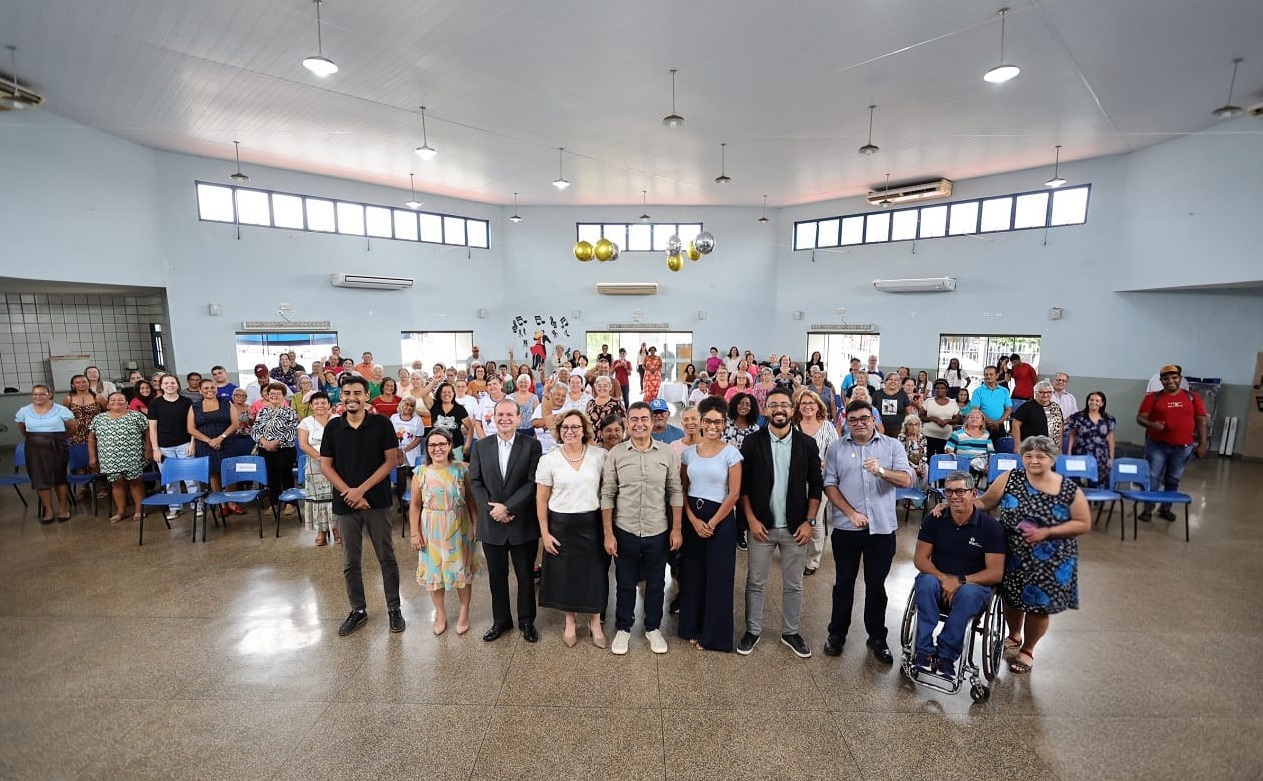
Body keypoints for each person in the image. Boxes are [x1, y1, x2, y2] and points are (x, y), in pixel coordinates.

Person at [971, 435, 1090, 674]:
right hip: (1012, 552)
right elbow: (985, 503)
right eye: (1028, 455)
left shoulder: (1066, 487)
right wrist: (957, 504)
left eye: (1040, 456)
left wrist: (1047, 532)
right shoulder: (1010, 478)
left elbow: (1082, 523)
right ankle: (1014, 634)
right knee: (1012, 598)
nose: (1033, 460)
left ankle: (1027, 650)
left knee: (1038, 607)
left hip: (1050, 558)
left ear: (1051, 458)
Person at [821, 399, 916, 662]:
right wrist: (850, 513)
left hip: (882, 529)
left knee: (876, 586)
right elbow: (829, 483)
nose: (859, 424)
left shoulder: (892, 445)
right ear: (846, 422)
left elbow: (908, 479)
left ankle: (877, 637)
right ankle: (836, 634)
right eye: (853, 420)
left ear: (873, 418)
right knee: (843, 584)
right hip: (847, 528)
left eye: (864, 418)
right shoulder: (836, 448)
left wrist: (882, 471)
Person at [737, 388, 822, 658]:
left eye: (784, 404)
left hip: (796, 527)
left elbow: (816, 487)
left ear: (792, 409)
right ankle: (753, 630)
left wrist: (809, 521)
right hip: (761, 526)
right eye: (773, 405)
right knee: (755, 582)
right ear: (765, 409)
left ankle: (790, 632)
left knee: (794, 584)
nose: (779, 409)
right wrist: (750, 520)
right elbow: (743, 488)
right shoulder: (751, 443)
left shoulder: (806, 444)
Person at [319, 375, 405, 636]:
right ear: (341, 396)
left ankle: (394, 608)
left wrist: (362, 490)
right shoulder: (333, 427)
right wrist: (349, 493)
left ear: (367, 396)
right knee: (350, 561)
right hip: (345, 504)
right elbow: (325, 465)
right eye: (346, 393)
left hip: (376, 501)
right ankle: (357, 609)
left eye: (357, 393)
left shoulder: (381, 424)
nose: (351, 397)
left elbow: (390, 461)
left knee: (386, 557)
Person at [601, 401, 683, 655]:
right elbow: (607, 494)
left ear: (651, 421)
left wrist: (676, 529)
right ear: (627, 421)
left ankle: (652, 628)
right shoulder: (617, 453)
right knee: (625, 582)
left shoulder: (667, 452)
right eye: (634, 419)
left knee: (656, 583)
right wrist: (608, 533)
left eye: (644, 419)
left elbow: (675, 491)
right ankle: (624, 628)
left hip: (657, 529)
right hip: (624, 529)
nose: (639, 423)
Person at [911, 471, 1005, 678]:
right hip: (938, 579)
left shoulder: (991, 528)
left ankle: (946, 655)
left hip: (973, 585)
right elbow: (920, 559)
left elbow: (995, 573)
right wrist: (945, 579)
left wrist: (961, 581)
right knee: (925, 583)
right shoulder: (934, 520)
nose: (954, 496)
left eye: (961, 491)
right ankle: (924, 652)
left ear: (973, 493)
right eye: (949, 491)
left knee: (968, 594)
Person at [468, 398, 543, 643]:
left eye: (510, 415)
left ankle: (526, 621)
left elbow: (532, 482)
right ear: (493, 416)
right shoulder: (482, 446)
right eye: (500, 414)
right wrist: (493, 508)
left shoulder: (532, 445)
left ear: (518, 417)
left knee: (524, 577)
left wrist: (508, 507)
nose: (504, 419)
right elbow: (475, 481)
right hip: (492, 523)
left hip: (522, 522)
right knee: (497, 578)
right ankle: (501, 621)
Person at [536, 409, 609, 648]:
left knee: (594, 574)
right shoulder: (549, 460)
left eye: (575, 427)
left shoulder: (600, 456)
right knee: (565, 576)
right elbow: (541, 500)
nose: (570, 431)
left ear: (584, 430)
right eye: (565, 427)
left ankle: (595, 621)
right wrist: (545, 534)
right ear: (559, 431)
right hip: (561, 526)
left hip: (592, 523)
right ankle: (569, 621)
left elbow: (608, 493)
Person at [675, 397, 743, 653]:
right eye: (708, 421)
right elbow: (682, 488)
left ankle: (713, 635)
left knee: (718, 577)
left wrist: (712, 522)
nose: (712, 425)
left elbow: (734, 493)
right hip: (693, 515)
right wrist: (692, 520)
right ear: (700, 423)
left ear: (724, 424)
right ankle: (691, 626)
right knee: (693, 574)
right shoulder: (689, 453)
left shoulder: (732, 453)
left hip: (720, 518)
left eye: (718, 421)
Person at [409, 429, 480, 636]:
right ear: (427, 448)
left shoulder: (461, 469)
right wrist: (415, 533)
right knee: (434, 574)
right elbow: (414, 505)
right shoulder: (420, 472)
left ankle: (464, 611)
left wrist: (476, 524)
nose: (437, 448)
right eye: (432, 445)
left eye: (442, 444)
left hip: (459, 526)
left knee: (462, 572)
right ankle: (440, 613)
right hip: (431, 527)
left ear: (449, 446)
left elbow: (471, 501)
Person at [1135, 364, 1209, 522]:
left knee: (1173, 478)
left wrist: (1203, 443)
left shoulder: (1193, 397)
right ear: (1161, 381)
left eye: (1174, 377)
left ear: (1180, 379)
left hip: (1182, 448)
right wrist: (1152, 425)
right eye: (1166, 378)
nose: (1171, 381)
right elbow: (1140, 417)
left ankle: (1165, 508)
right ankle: (1148, 509)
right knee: (1153, 477)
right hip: (1157, 446)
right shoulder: (1153, 397)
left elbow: (1201, 421)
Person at [15, 384, 77, 523]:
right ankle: (48, 510)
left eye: (42, 394)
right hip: (34, 447)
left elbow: (72, 428)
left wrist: (57, 439)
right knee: (39, 478)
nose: (38, 397)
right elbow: (23, 431)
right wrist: (37, 439)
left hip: (57, 445)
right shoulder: (24, 411)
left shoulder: (61, 410)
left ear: (50, 394)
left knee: (59, 477)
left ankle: (63, 509)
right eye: (35, 394)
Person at [87, 391, 150, 523]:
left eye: (120, 400)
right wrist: (92, 457)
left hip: (133, 456)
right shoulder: (99, 419)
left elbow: (148, 433)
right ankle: (121, 511)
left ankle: (139, 509)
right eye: (113, 400)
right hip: (109, 458)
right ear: (108, 404)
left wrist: (148, 451)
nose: (117, 402)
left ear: (127, 403)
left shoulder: (137, 416)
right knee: (116, 484)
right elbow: (92, 439)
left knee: (135, 482)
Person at [795, 390, 838, 578]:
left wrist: (824, 463)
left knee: (815, 520)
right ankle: (796, 554)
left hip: (820, 480)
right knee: (796, 517)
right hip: (795, 480)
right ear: (798, 407)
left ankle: (812, 560)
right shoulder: (793, 426)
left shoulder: (827, 427)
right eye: (803, 403)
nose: (807, 406)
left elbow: (836, 453)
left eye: (811, 403)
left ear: (818, 405)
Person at [148, 374, 196, 521]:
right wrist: (156, 449)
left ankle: (197, 505)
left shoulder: (186, 402)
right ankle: (175, 508)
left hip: (184, 444)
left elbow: (193, 425)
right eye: (166, 383)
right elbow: (153, 428)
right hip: (164, 447)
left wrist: (192, 443)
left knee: (191, 478)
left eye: (173, 382)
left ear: (177, 385)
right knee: (170, 480)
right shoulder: (155, 404)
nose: (170, 385)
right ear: (161, 386)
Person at [188, 378, 239, 516]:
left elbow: (235, 424)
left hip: (226, 441)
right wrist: (209, 440)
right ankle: (221, 504)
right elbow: (191, 429)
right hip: (205, 444)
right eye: (206, 388)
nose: (210, 390)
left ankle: (232, 502)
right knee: (214, 473)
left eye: (212, 387)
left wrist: (220, 438)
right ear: (200, 390)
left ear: (217, 389)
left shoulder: (227, 403)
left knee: (230, 472)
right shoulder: (195, 407)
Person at [298, 392, 339, 546]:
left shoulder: (337, 420)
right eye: (316, 403)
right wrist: (321, 458)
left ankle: (336, 529)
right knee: (319, 499)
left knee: (335, 497)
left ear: (329, 405)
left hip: (337, 463)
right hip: (315, 464)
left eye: (323, 403)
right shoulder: (306, 422)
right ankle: (321, 532)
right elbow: (303, 444)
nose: (320, 406)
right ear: (311, 406)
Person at [252, 383, 299, 516]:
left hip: (284, 449)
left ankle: (290, 503)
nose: (274, 396)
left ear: (283, 396)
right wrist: (265, 442)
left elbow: (291, 431)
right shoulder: (262, 411)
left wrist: (275, 443)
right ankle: (274, 502)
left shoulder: (290, 412)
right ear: (267, 395)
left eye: (278, 394)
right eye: (271, 393)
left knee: (286, 476)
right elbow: (255, 429)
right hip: (265, 449)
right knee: (271, 476)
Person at [1065, 392, 1116, 485]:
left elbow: (1110, 439)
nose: (1094, 402)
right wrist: (1069, 453)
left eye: (1097, 401)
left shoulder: (1108, 419)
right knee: (1077, 483)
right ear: (1088, 401)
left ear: (1102, 403)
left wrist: (1111, 458)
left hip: (1100, 457)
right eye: (1091, 400)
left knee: (1096, 483)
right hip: (1080, 454)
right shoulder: (1078, 417)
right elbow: (1072, 435)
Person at [1011, 380, 1064, 452]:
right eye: (1041, 392)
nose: (1045, 395)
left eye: (1048, 392)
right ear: (1036, 392)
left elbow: (1060, 428)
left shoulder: (1056, 407)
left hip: (1051, 449)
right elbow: (1015, 424)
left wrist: (1059, 448)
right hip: (1031, 448)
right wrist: (1017, 445)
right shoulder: (1027, 406)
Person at [429, 382, 474, 462]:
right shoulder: (434, 406)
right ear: (439, 394)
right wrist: (434, 380)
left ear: (454, 394)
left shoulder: (460, 409)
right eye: (444, 392)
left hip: (456, 447)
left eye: (449, 392)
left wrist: (467, 445)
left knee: (455, 472)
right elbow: (423, 395)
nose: (447, 394)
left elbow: (470, 428)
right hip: (437, 448)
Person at [971, 366, 1013, 450]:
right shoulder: (978, 391)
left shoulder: (1004, 391)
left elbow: (1008, 409)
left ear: (997, 375)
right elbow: (976, 410)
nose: (988, 376)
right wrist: (991, 422)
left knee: (1000, 452)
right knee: (982, 452)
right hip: (982, 427)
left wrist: (998, 422)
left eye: (991, 374)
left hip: (1000, 427)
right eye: (986, 374)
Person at [921, 379, 960, 458]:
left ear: (947, 389)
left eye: (942, 388)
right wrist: (933, 419)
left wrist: (948, 421)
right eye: (937, 388)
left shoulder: (953, 403)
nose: (939, 390)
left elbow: (957, 419)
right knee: (928, 457)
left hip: (945, 436)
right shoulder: (929, 401)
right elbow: (921, 416)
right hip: (928, 435)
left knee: (942, 459)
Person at [899, 415, 929, 486]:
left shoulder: (922, 437)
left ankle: (924, 493)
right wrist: (915, 468)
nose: (914, 427)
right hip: (907, 464)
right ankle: (910, 493)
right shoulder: (901, 437)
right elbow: (903, 457)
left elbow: (924, 454)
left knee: (926, 469)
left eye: (916, 424)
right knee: (911, 472)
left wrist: (920, 467)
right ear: (906, 426)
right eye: (911, 425)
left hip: (919, 464)